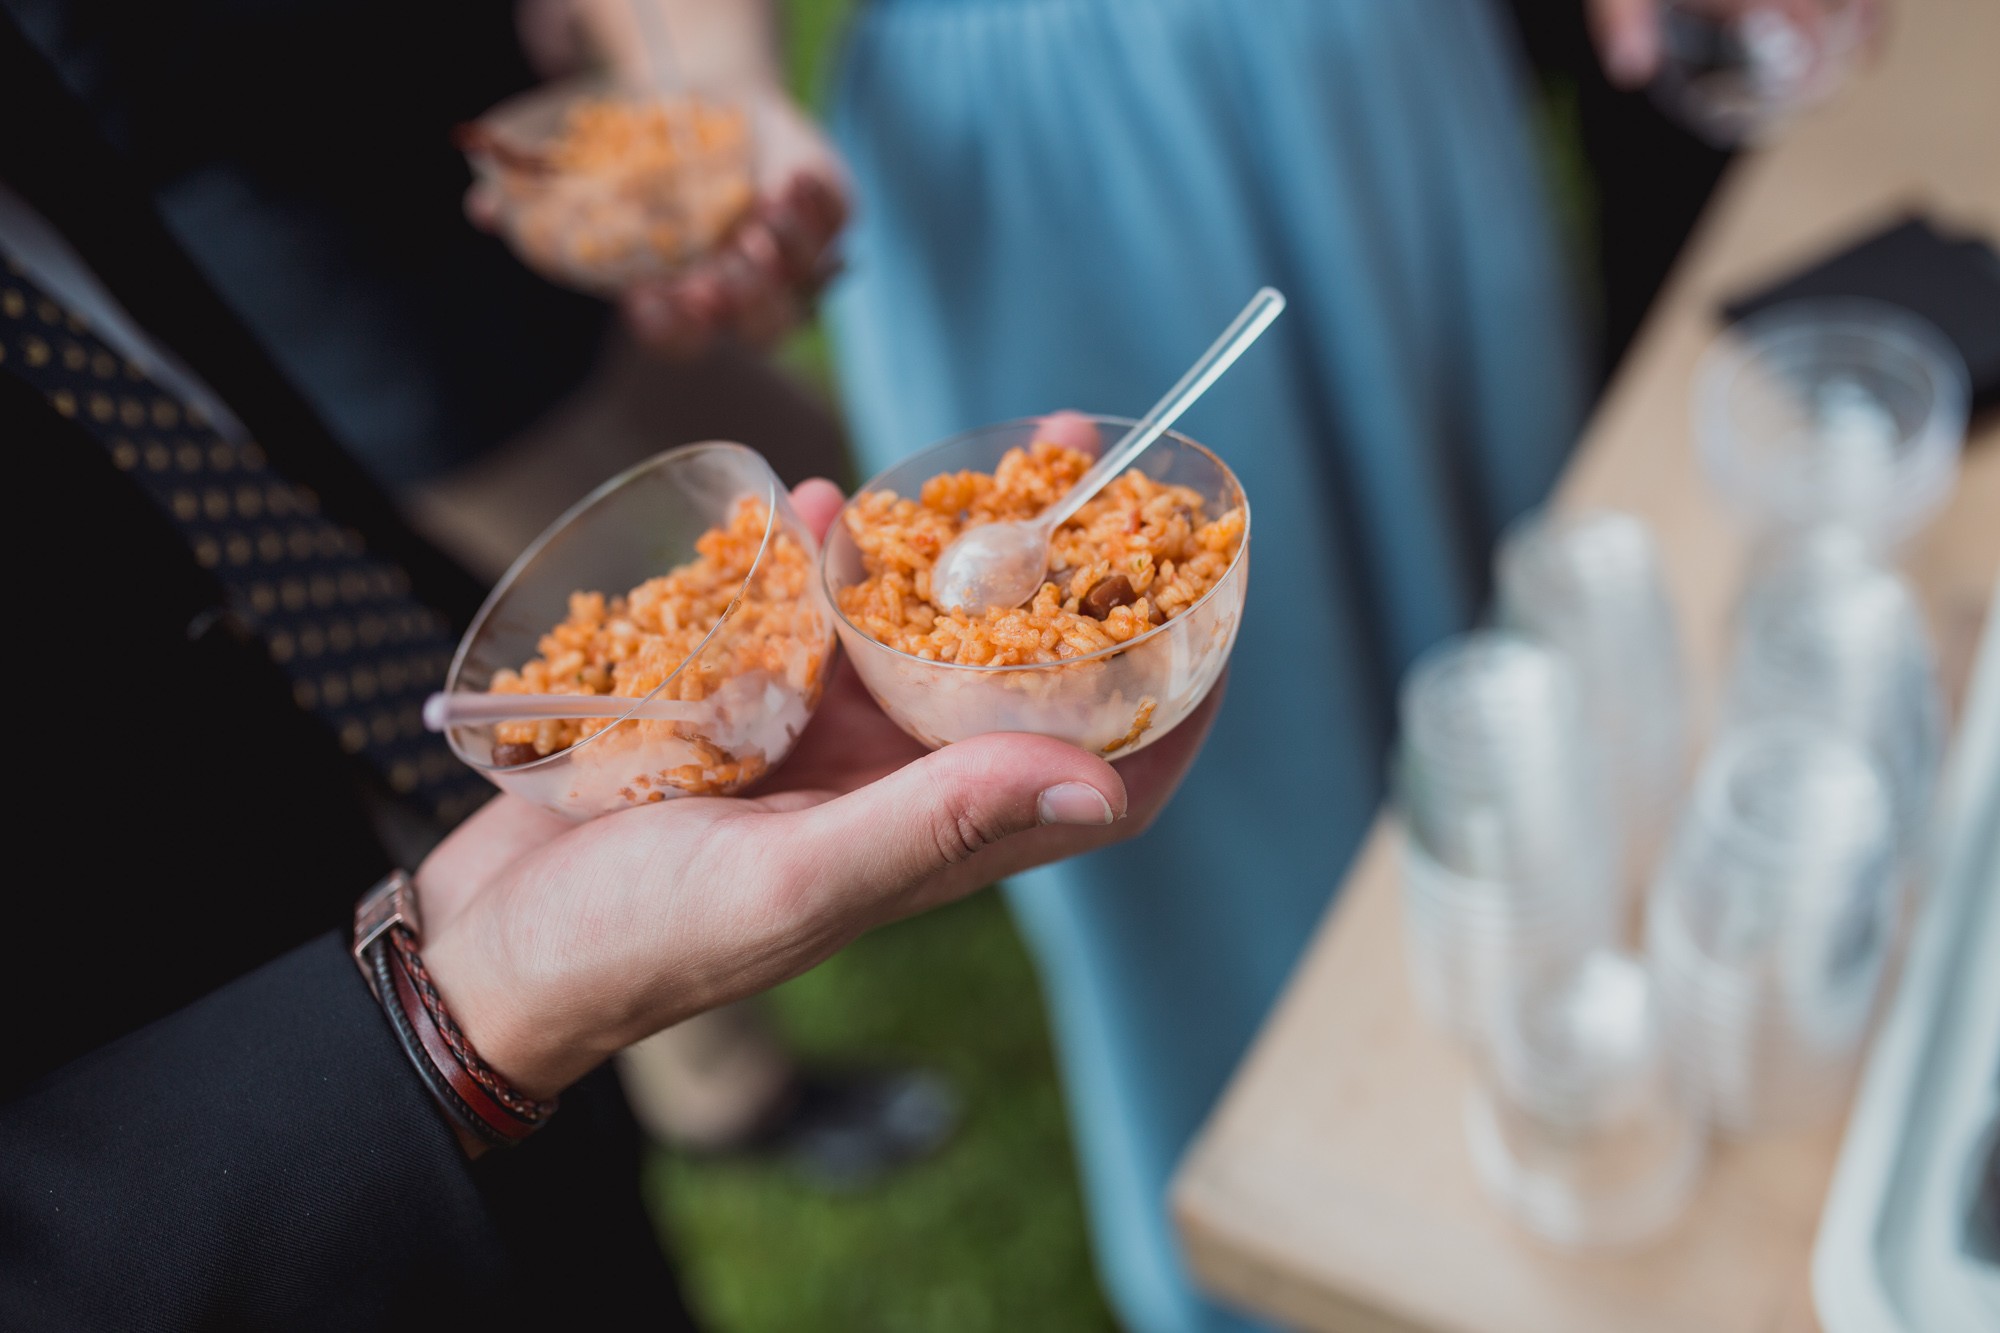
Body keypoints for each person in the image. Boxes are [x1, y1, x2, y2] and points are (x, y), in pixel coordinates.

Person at [615, 2, 1878, 1329]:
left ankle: (1570, 1116)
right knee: (1170, 805)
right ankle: (1284, 1261)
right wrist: (711, 84)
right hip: (1038, 155)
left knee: (1511, 658)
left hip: (1372, 77)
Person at [0, 17, 1218, 1326]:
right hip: (223, 1135)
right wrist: (444, 1036)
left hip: (358, 734)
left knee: (586, 1233)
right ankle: (732, 1093)